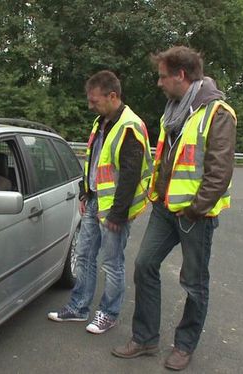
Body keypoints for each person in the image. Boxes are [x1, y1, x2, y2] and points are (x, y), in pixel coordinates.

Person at [111, 46, 237, 371]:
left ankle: (184, 345)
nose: (159, 83)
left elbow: (219, 173)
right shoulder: (174, 110)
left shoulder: (218, 113)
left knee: (194, 283)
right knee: (144, 265)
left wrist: (195, 209)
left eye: (162, 76)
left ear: (181, 76)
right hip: (165, 209)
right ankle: (145, 338)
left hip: (196, 215)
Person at [47, 70, 152, 334]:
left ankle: (108, 313)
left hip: (115, 209)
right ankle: (79, 307)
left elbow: (130, 175)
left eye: (94, 100)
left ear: (112, 95)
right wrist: (85, 192)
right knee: (83, 255)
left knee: (112, 263)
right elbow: (94, 162)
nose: (90, 105)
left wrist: (117, 215)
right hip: (95, 200)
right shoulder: (101, 121)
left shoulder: (130, 125)